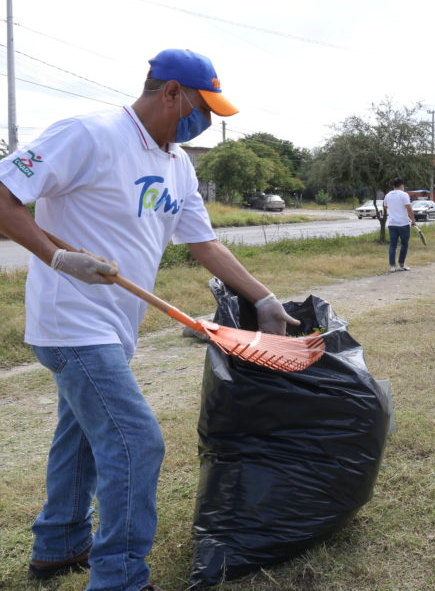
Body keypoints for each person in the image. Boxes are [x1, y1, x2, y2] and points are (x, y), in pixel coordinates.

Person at [0, 49, 299, 590]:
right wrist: (58, 258)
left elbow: (204, 243)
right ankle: (120, 580)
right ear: (170, 94)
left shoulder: (178, 164)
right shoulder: (89, 136)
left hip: (117, 327)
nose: (202, 121)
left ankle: (59, 544)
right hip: (72, 324)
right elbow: (4, 196)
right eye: (200, 107)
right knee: (137, 442)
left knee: (84, 436)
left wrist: (265, 297)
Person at [383, 178, 417, 272]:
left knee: (392, 245)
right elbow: (409, 209)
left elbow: (385, 207)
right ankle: (401, 265)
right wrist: (413, 220)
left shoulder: (388, 195)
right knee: (404, 244)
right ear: (402, 185)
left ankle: (392, 266)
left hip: (392, 224)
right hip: (403, 224)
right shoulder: (404, 195)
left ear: (393, 185)